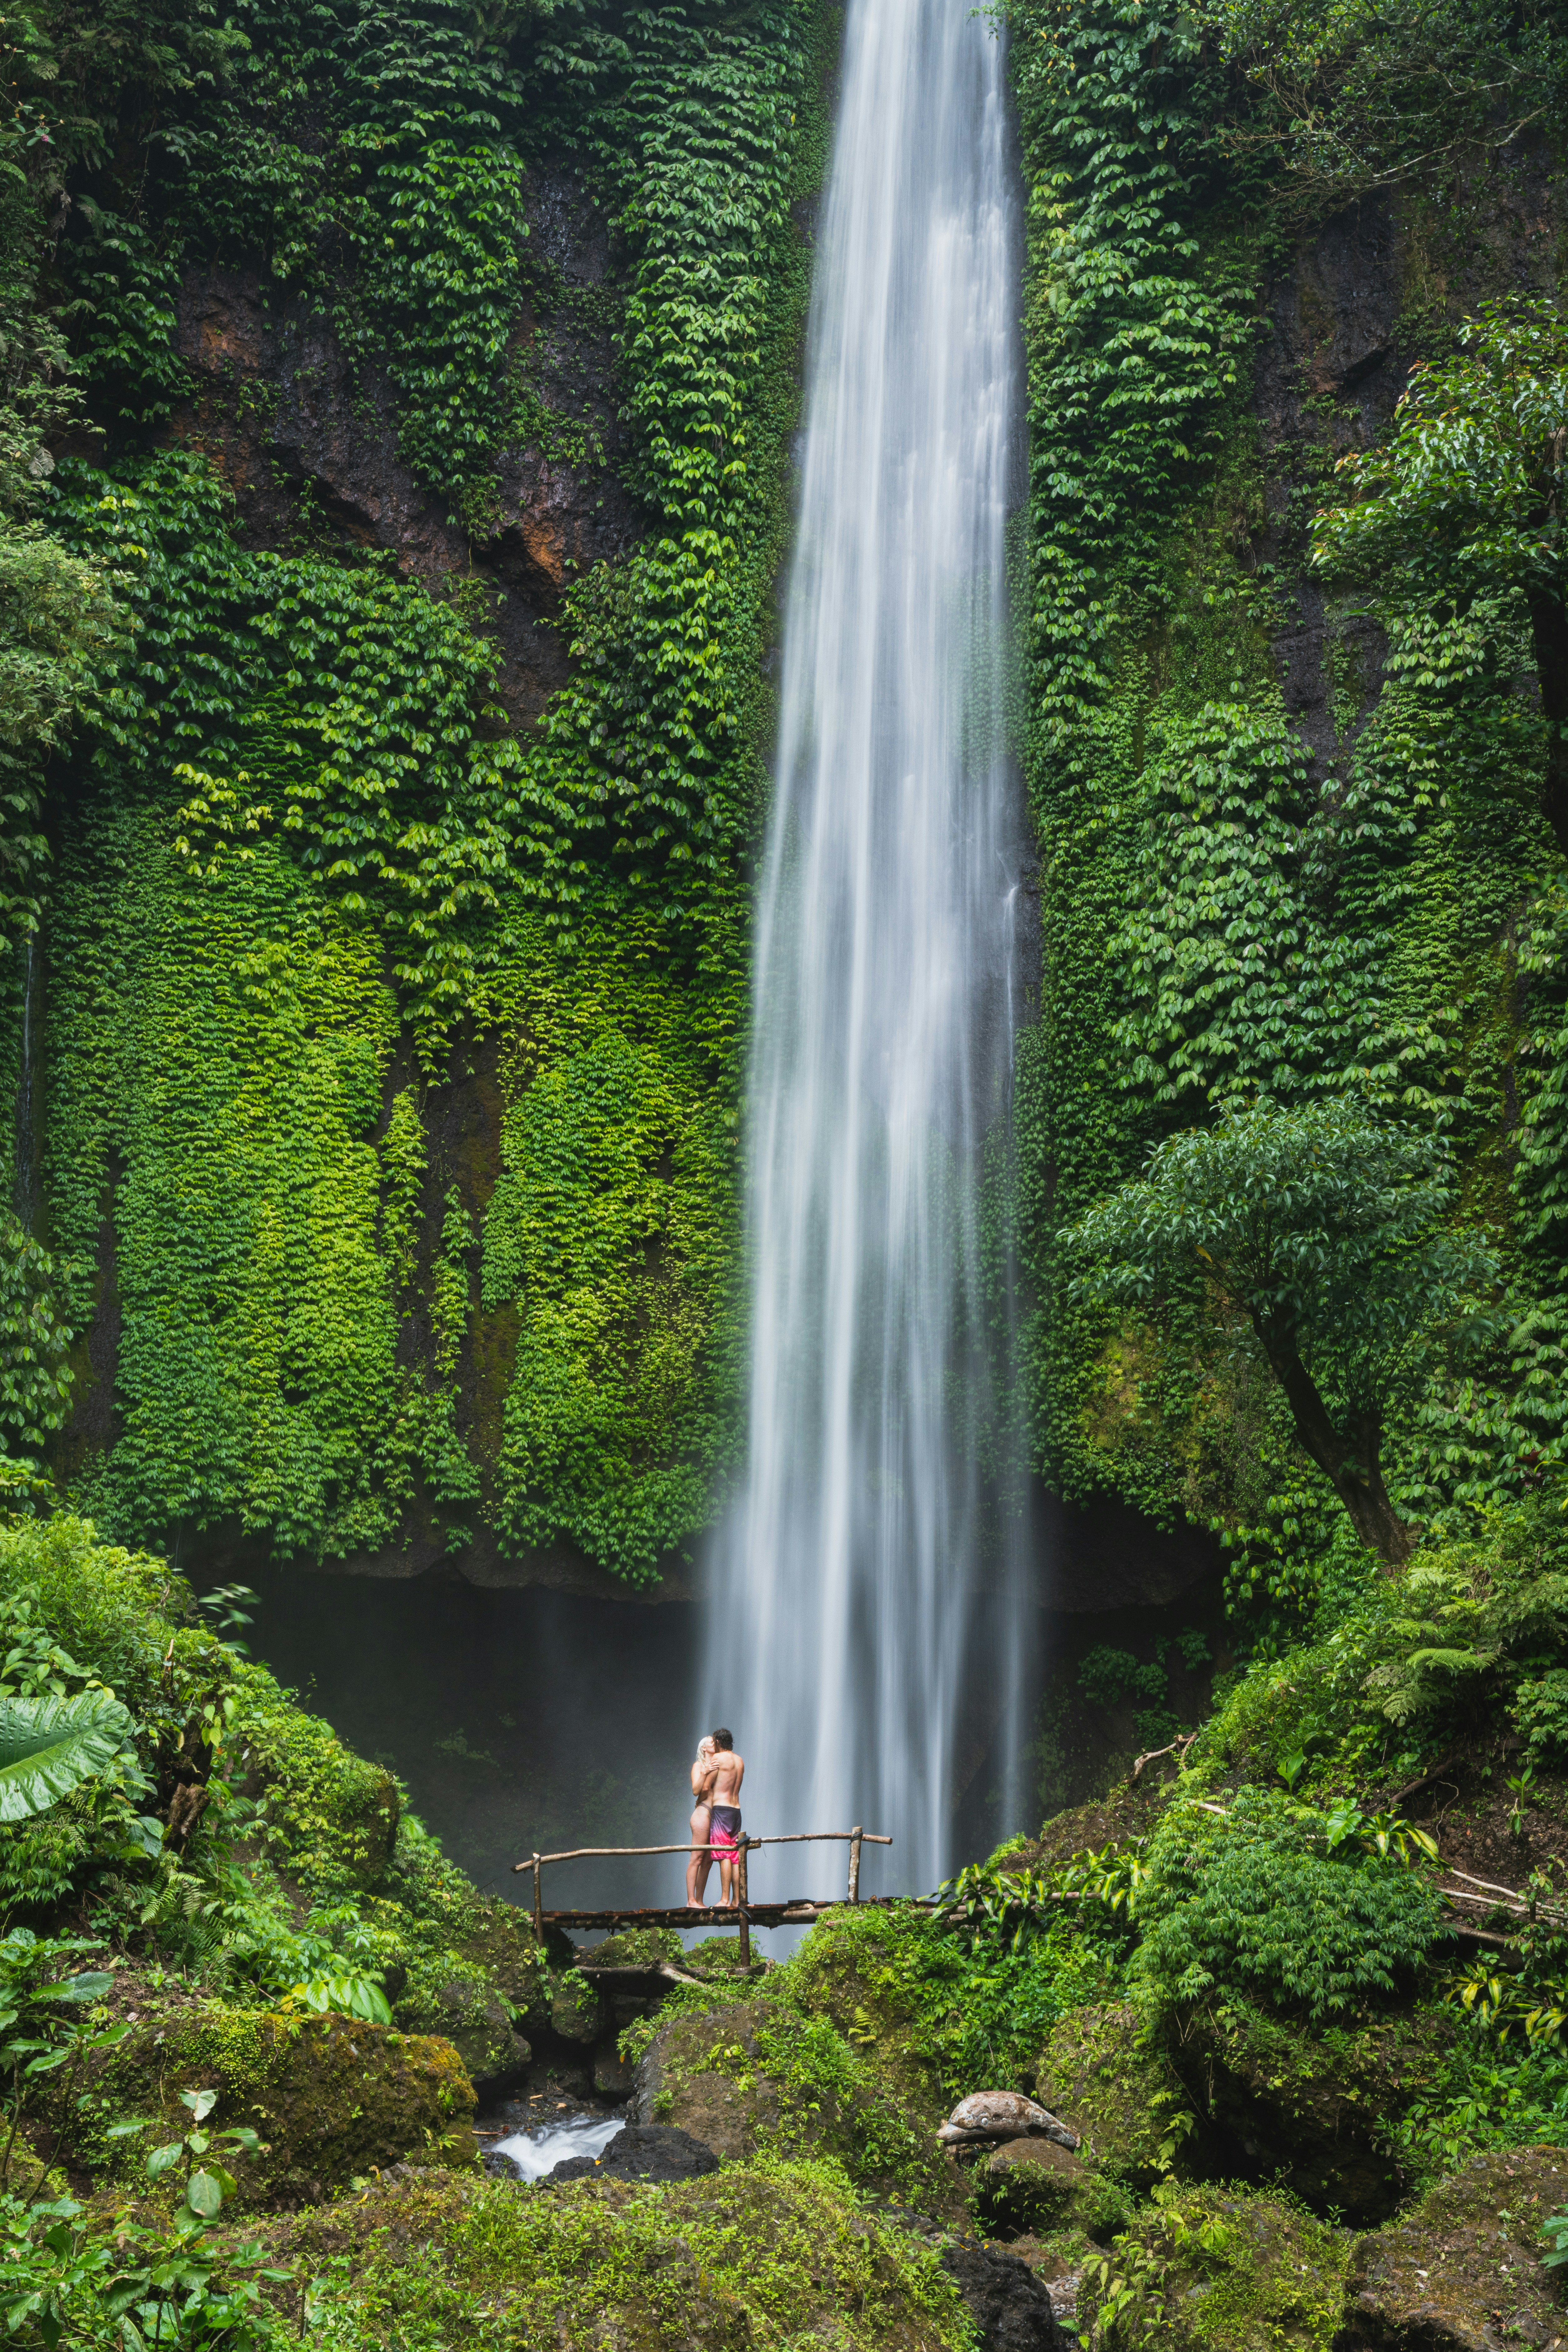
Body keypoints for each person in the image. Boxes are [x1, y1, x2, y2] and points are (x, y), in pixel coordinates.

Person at [707, 1728, 746, 1906]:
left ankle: (725, 1899)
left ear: (718, 1742)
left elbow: (707, 1786)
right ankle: (737, 1900)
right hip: (736, 1811)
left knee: (724, 1854)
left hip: (722, 1810)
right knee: (735, 1856)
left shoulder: (719, 1759)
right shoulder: (740, 1761)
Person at [685, 1735, 718, 1908]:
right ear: (704, 1748)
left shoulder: (718, 1765)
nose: (715, 1743)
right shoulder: (698, 1766)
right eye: (711, 1742)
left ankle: (700, 1900)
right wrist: (705, 1772)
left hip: (715, 1815)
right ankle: (691, 1900)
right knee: (697, 1858)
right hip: (702, 1813)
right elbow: (695, 1790)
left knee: (708, 1860)